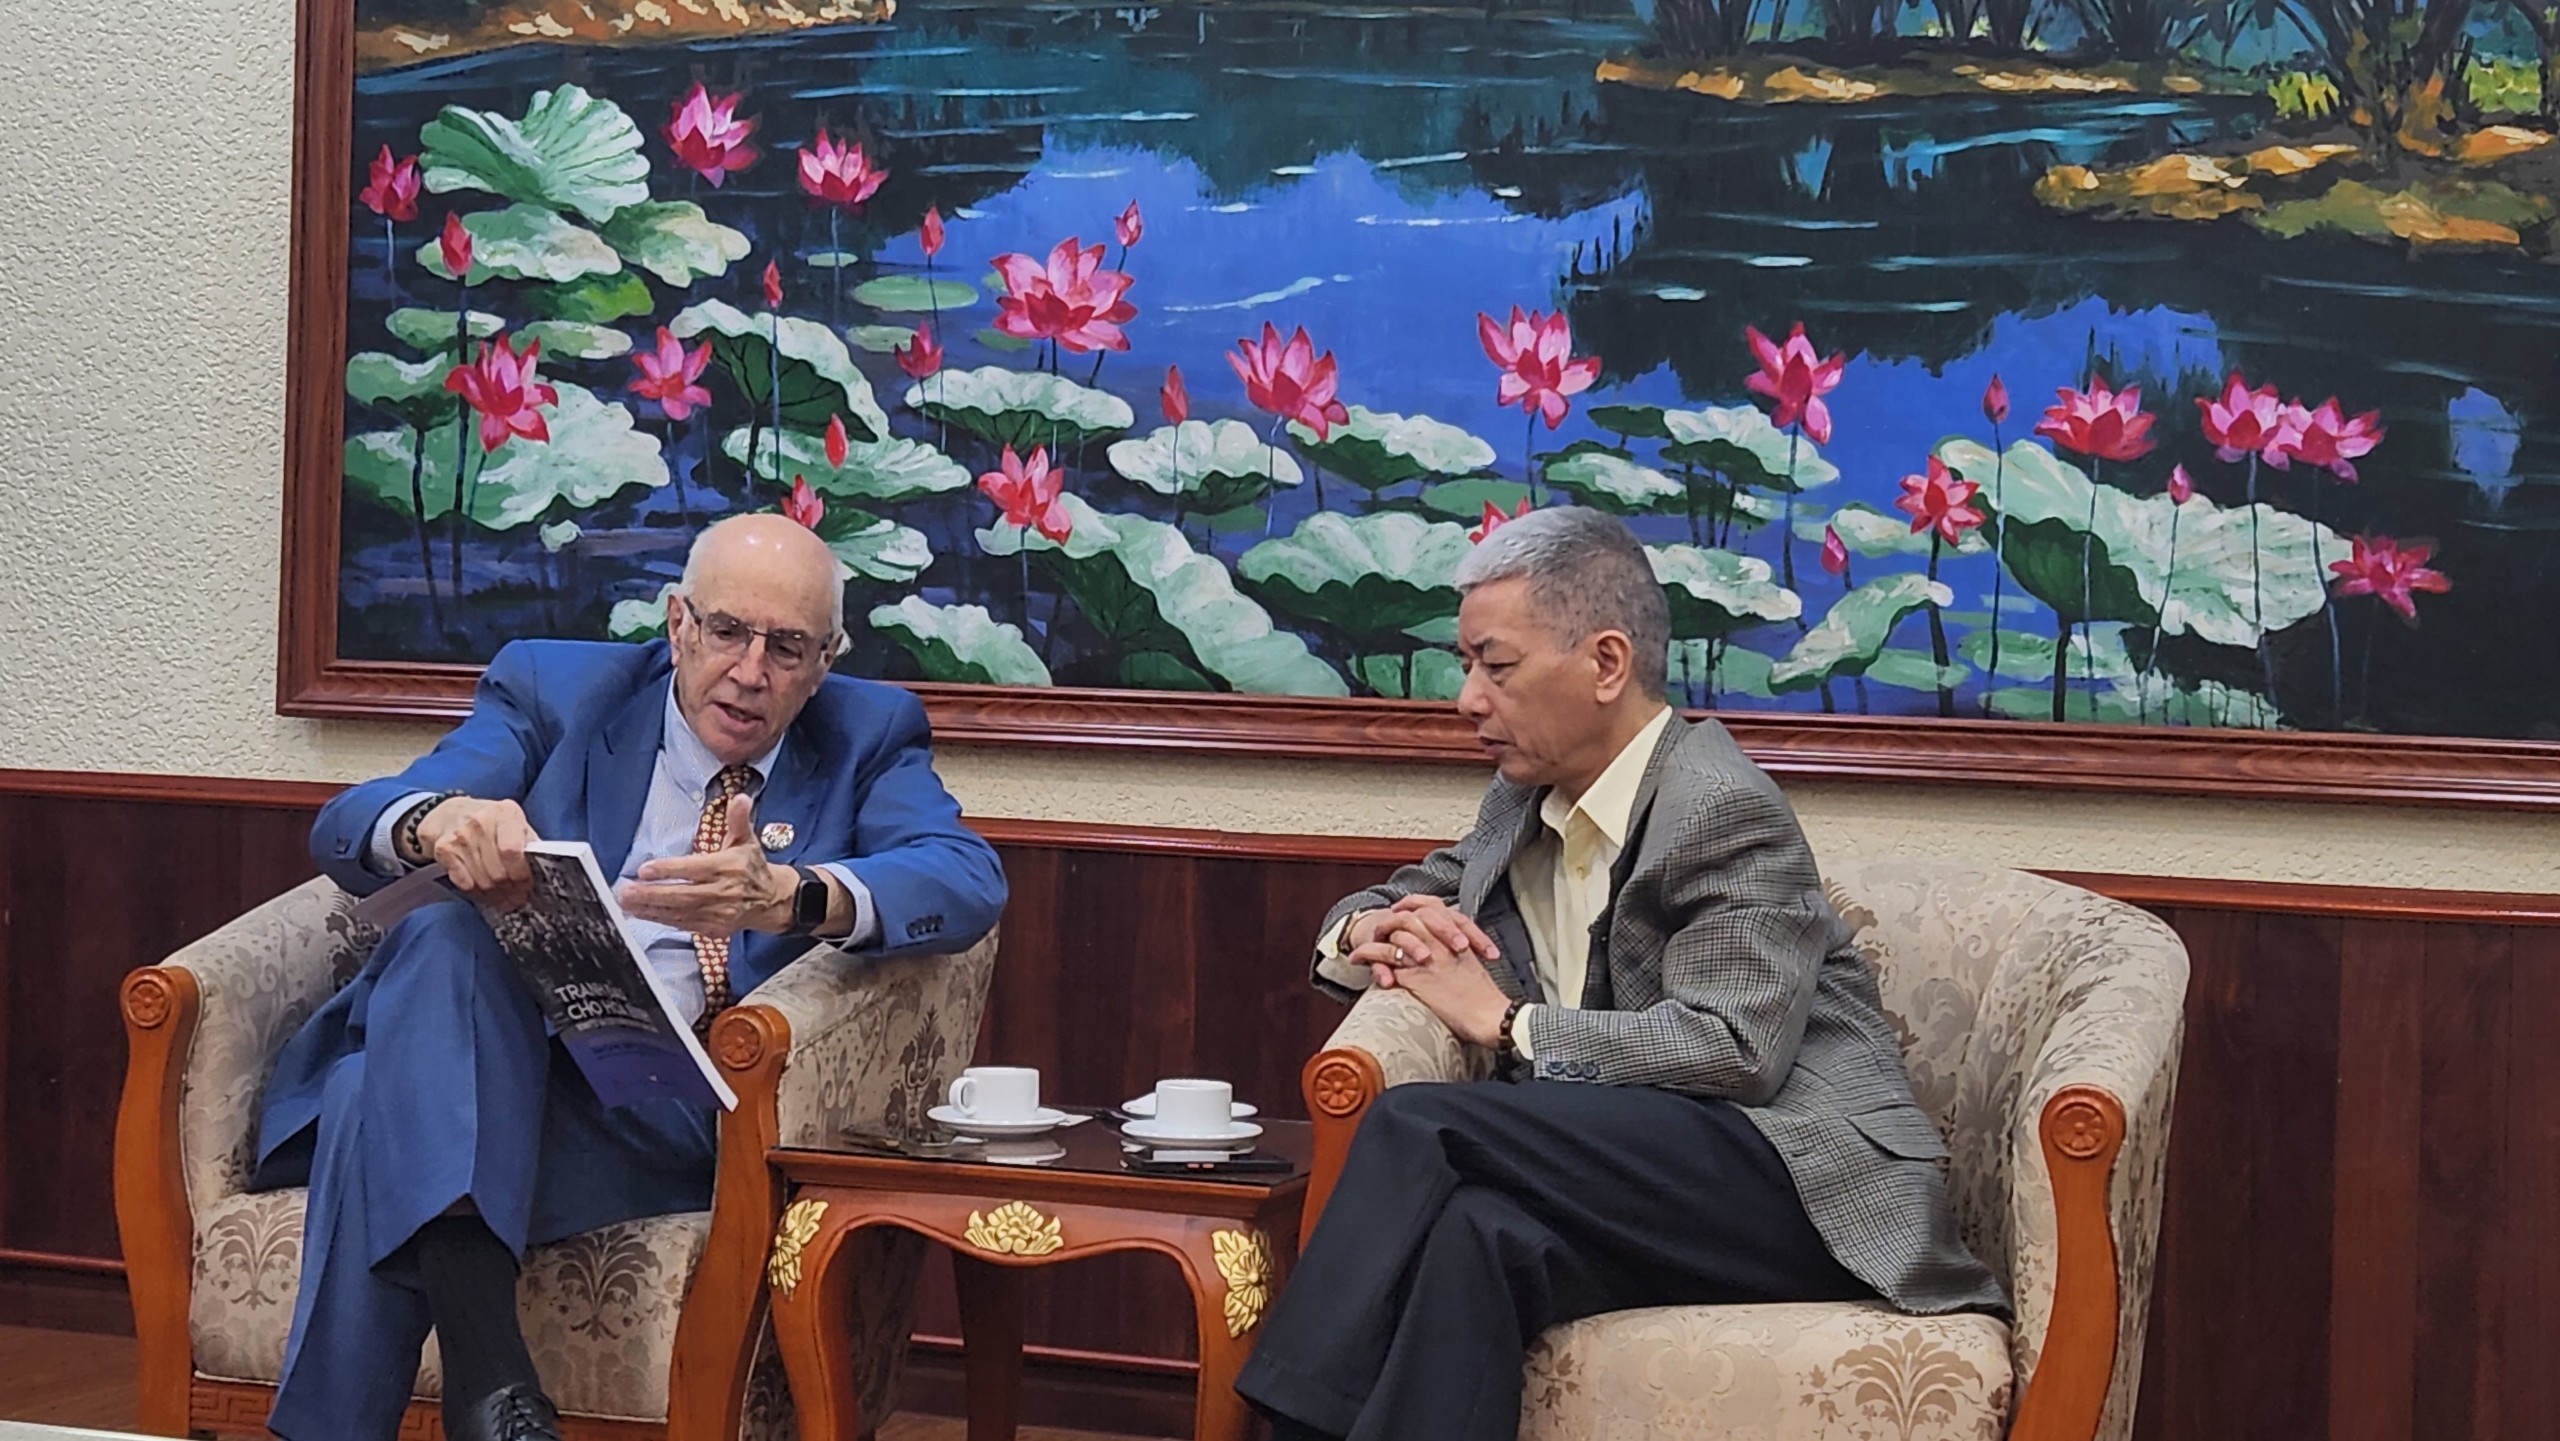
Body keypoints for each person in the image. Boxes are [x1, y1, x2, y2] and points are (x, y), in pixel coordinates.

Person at [1233, 507, 2004, 1441]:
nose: (1468, 698)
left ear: (1606, 663)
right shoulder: (1525, 795)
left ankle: (1280, 1419)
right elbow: (1415, 889)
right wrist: (1370, 928)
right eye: (1465, 664)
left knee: (1419, 1122)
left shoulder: (1719, 806)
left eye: (1496, 666)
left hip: (1801, 1189)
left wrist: (1507, 1024)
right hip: (1646, 1185)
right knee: (1479, 1234)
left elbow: (1737, 1051)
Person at [251, 514, 1007, 1441]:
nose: (751, 670)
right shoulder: (559, 691)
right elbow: (349, 822)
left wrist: (791, 896)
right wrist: (435, 823)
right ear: (678, 623)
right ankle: (495, 1394)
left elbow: (966, 878)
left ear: (824, 662)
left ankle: (427, 1404)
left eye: (786, 648)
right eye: (727, 631)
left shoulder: (869, 733)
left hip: (680, 1113)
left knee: (371, 1099)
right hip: (505, 1068)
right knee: (445, 932)